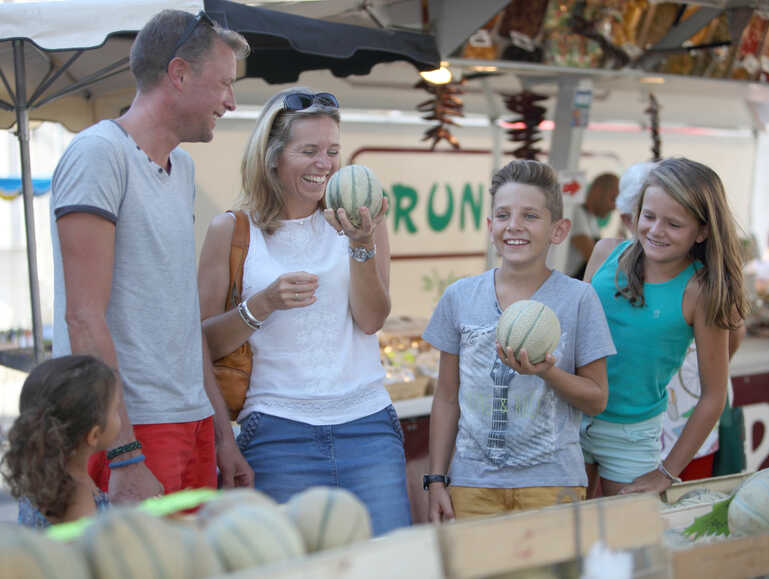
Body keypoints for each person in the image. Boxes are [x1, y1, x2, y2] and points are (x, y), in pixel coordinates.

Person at [50, 10, 254, 503]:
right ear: (179, 74)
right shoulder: (99, 154)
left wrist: (222, 436)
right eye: (224, 84)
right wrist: (123, 455)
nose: (230, 102)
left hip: (193, 422)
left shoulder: (180, 168)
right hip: (130, 430)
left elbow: (182, 313)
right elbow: (83, 318)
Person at [196, 86, 411, 536]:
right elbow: (200, 343)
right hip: (275, 434)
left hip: (367, 426)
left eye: (333, 150)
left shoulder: (361, 219)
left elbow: (371, 320)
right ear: (272, 157)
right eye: (309, 150)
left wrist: (361, 244)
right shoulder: (232, 230)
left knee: (390, 565)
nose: (325, 163)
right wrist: (261, 305)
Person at [422, 160, 616, 522]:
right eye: (503, 214)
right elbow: (447, 396)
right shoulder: (459, 297)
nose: (514, 226)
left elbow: (597, 400)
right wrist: (436, 481)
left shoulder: (579, 299)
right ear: (490, 225)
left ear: (558, 230)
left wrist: (548, 372)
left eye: (530, 216)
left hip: (553, 483)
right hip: (471, 484)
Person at [581, 158, 748, 496]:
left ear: (702, 230)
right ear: (635, 213)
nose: (656, 231)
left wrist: (667, 472)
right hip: (571, 416)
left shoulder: (700, 290)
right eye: (649, 216)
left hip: (632, 435)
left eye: (674, 224)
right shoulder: (604, 253)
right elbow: (572, 336)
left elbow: (713, 397)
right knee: (559, 535)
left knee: (629, 543)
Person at [1, 356, 119, 527]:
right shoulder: (77, 496)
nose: (119, 416)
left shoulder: (40, 477)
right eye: (116, 410)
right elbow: (80, 553)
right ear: (94, 435)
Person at [566, 173, 620, 279]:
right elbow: (593, 256)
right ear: (598, 191)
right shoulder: (576, 212)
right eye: (613, 199)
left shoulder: (592, 220)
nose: (614, 207)